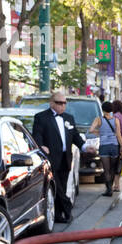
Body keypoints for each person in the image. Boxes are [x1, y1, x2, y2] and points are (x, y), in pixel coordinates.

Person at [32, 91, 86, 223]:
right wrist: (41, 145)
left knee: (61, 185)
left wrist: (84, 147)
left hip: (65, 158)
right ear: (51, 103)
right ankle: (67, 207)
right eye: (59, 103)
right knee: (57, 187)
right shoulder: (41, 117)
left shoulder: (69, 118)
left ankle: (58, 215)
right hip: (51, 158)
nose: (62, 106)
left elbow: (75, 136)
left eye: (64, 103)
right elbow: (37, 134)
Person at [89, 101, 121, 198]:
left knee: (106, 170)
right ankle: (110, 187)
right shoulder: (116, 120)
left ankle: (109, 190)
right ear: (111, 110)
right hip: (114, 146)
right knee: (112, 169)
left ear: (102, 109)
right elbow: (118, 135)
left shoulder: (99, 120)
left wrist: (99, 132)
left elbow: (90, 130)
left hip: (104, 146)